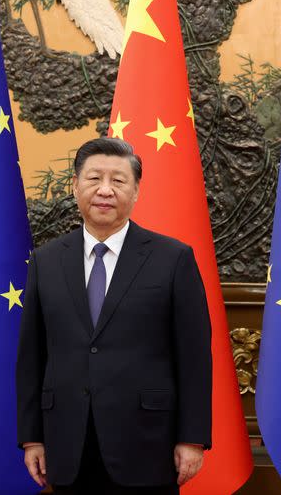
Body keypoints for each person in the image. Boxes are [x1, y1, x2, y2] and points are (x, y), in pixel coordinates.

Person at [16, 138, 212, 494]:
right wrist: (32, 438)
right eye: (94, 179)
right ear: (75, 186)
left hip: (147, 444)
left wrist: (193, 438)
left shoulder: (173, 259)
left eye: (118, 181)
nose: (105, 190)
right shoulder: (46, 261)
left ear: (136, 190)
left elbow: (195, 356)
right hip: (68, 443)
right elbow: (32, 355)